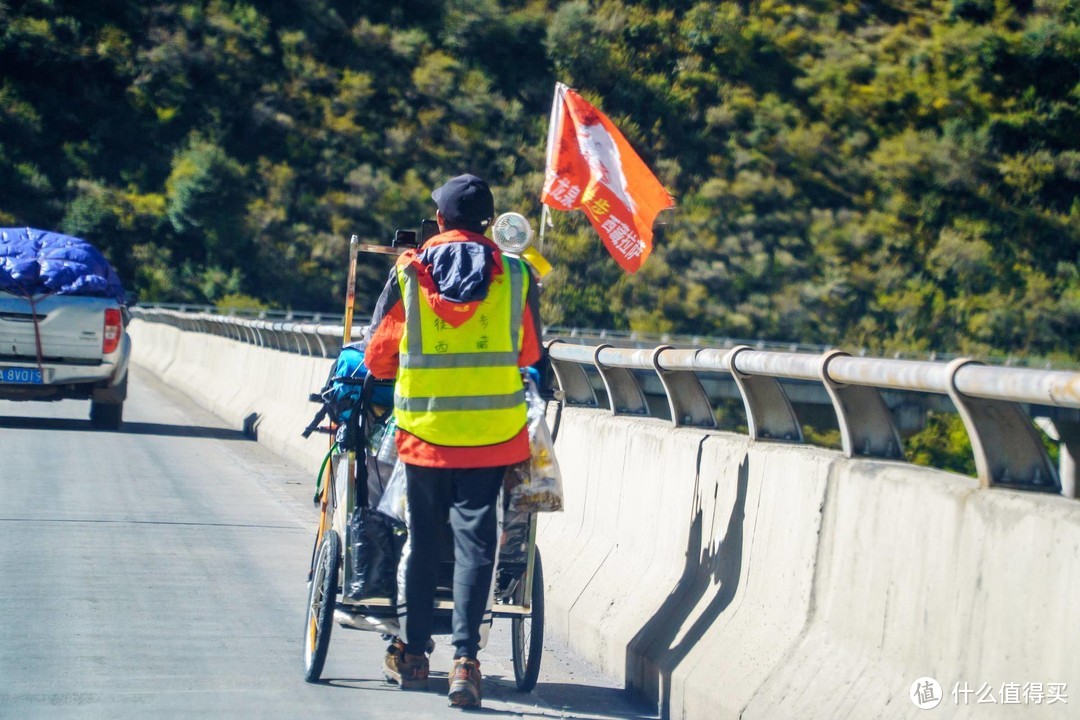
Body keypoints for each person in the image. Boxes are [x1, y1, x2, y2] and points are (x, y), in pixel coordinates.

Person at [363, 174, 542, 709]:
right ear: (490, 224)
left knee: (421, 543)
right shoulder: (514, 273)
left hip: (425, 433)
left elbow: (377, 357)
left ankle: (415, 654)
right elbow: (529, 354)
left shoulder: (410, 271)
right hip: (493, 436)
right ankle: (466, 662)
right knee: (475, 545)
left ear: (438, 220)